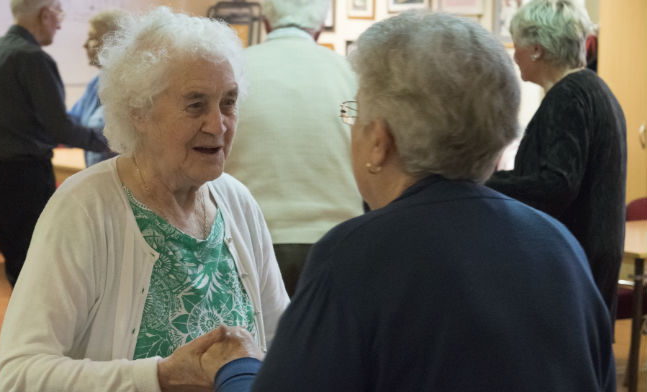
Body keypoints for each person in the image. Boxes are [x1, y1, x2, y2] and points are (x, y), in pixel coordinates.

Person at [187, 10, 616, 391]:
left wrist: (236, 368)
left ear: (379, 142)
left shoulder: (357, 254)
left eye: (355, 113)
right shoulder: (559, 246)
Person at [0, 7, 289, 391]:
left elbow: (285, 341)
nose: (218, 125)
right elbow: (17, 377)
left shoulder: (238, 202)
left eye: (228, 102)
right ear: (139, 112)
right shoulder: (85, 209)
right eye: (196, 104)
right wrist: (160, 378)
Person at [485, 0, 626, 323]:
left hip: (573, 261)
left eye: (517, 42)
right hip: (589, 255)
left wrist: (479, 183)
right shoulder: (592, 88)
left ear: (536, 48)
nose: (514, 52)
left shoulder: (569, 95)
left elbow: (555, 185)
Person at [0, 0, 110, 287]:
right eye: (58, 14)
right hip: (28, 179)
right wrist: (107, 142)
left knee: (15, 268)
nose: (59, 23)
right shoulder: (34, 59)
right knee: (38, 271)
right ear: (45, 14)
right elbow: (60, 128)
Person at [224, 0, 363, 295]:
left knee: (252, 340)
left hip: (248, 238)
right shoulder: (348, 74)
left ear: (265, 22)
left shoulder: (234, 71)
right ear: (320, 28)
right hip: (336, 240)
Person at [69, 9, 125, 167]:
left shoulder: (129, 84)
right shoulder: (96, 82)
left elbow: (107, 138)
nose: (85, 45)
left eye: (92, 38)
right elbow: (73, 119)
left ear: (112, 41)